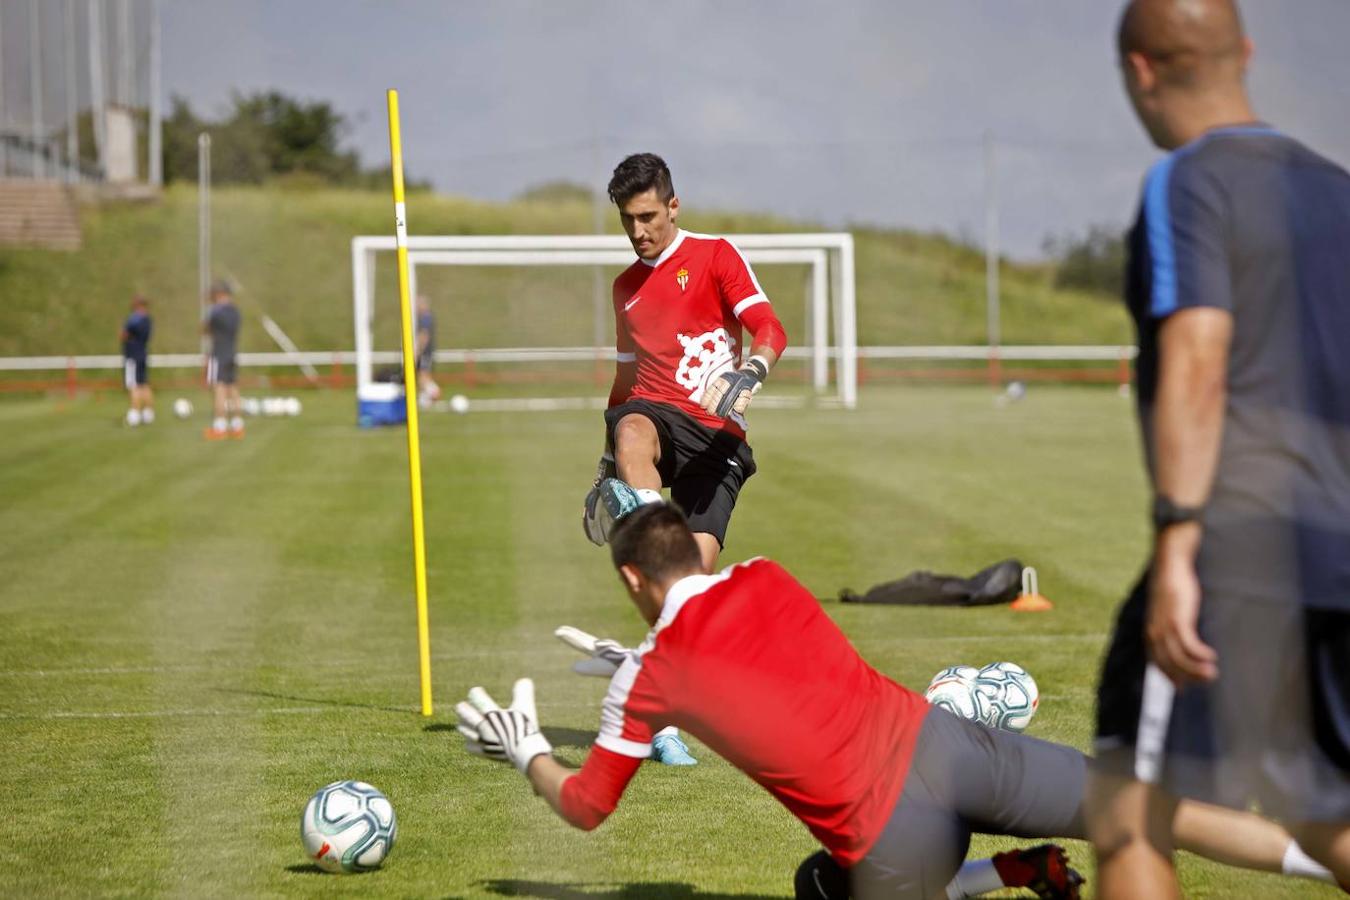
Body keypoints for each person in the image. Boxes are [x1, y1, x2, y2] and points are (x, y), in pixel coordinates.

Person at [458, 504, 1339, 899]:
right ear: (693, 545)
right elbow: (745, 661)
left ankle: (1004, 872)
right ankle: (1328, 861)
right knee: (1152, 814)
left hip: (887, 835)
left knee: (825, 887)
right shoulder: (766, 576)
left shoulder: (647, 680)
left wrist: (529, 745)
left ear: (627, 578)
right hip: (952, 746)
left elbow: (584, 809)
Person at [1090, 1, 1350, 896]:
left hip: (1241, 548)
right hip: (1345, 551)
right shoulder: (1338, 187)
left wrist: (1179, 542)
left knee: (1130, 804)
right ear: (1244, 52)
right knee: (1328, 809)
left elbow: (1199, 355)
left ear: (1140, 69)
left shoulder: (1188, 183)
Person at [582, 152, 788, 577]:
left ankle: (672, 603)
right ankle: (653, 528)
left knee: (688, 586)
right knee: (633, 423)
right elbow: (625, 385)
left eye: (647, 216)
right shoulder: (625, 288)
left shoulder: (716, 255)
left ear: (673, 207)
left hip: (717, 437)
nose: (637, 232)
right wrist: (607, 463)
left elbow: (769, 327)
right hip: (655, 415)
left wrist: (751, 371)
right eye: (627, 219)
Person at [203, 280, 243, 440]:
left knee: (218, 389)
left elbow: (206, 329)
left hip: (218, 353)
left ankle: (220, 426)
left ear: (219, 294)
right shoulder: (235, 312)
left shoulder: (216, 311)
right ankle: (237, 425)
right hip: (232, 352)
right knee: (233, 388)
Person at [120, 296, 154, 426]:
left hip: (132, 356)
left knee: (133, 385)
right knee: (144, 383)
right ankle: (148, 413)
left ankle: (134, 414)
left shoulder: (134, 319)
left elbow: (124, 335)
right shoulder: (148, 319)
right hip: (143, 354)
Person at [414, 295, 441, 407]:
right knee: (424, 375)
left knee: (423, 376)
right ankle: (426, 398)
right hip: (427, 351)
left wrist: (418, 351)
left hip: (425, 351)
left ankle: (434, 392)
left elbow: (424, 336)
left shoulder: (425, 319)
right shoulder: (427, 317)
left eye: (418, 304)